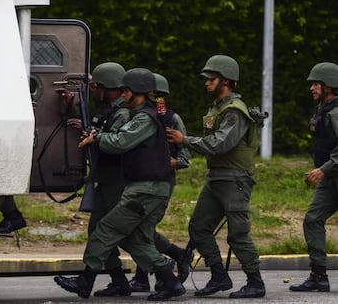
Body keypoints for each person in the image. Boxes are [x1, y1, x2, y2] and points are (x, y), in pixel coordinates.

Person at [53, 67, 185, 301]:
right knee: (134, 238)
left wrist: (97, 137)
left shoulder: (145, 117)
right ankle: (171, 280)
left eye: (126, 90)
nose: (123, 95)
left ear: (139, 92)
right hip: (146, 186)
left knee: (106, 229)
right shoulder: (144, 114)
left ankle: (87, 280)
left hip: (146, 188)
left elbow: (121, 141)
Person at [167, 54, 266, 298]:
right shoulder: (217, 108)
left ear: (226, 81)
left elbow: (220, 144)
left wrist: (185, 140)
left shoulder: (235, 111)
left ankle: (256, 282)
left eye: (211, 78)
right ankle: (219, 276)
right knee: (198, 227)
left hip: (235, 179)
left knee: (238, 233)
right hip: (217, 178)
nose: (206, 82)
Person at [128, 73, 193, 293]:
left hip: (161, 180)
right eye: (153, 96)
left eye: (160, 97)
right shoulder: (138, 115)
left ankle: (155, 270)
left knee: (143, 228)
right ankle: (176, 257)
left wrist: (172, 162)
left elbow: (185, 155)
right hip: (139, 179)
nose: (158, 101)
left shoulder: (171, 119)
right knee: (141, 227)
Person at [289, 62, 338, 293]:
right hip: (330, 180)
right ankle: (319, 276)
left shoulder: (336, 113)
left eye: (316, 83)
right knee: (313, 219)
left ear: (329, 85)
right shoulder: (323, 110)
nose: (311, 87)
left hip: (330, 173)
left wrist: (323, 170)